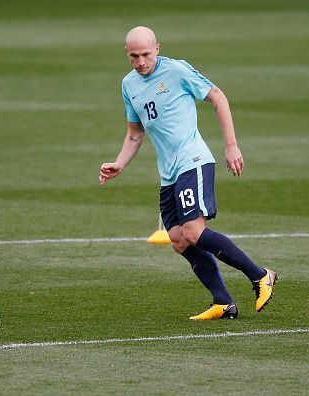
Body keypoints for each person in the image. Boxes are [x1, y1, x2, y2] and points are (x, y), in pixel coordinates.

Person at [99, 26, 277, 320]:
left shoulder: (177, 71)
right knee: (179, 240)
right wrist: (120, 163)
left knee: (194, 230)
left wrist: (231, 146)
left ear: (157, 48)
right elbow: (135, 133)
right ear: (127, 55)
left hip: (192, 160)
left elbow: (218, 97)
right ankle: (223, 302)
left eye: (146, 54)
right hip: (169, 172)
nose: (141, 61)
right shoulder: (128, 85)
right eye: (134, 56)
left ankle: (260, 276)